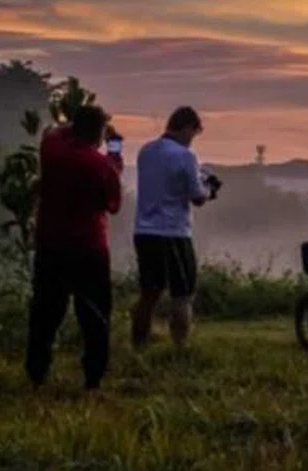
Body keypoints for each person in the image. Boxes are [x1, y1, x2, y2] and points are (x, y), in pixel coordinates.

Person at [26, 103, 123, 390]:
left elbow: (57, 130)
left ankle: (36, 370)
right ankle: (93, 375)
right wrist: (114, 156)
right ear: (98, 133)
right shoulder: (99, 165)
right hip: (88, 247)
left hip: (50, 242)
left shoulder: (52, 146)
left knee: (45, 310)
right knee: (94, 314)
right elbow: (112, 204)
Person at [131, 106, 221, 350]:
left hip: (144, 230)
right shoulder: (185, 156)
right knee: (182, 295)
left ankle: (138, 345)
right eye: (193, 133)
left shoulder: (146, 151)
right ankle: (180, 347)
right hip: (173, 232)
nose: (192, 140)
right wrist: (210, 189)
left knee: (149, 293)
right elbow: (197, 197)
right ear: (187, 128)